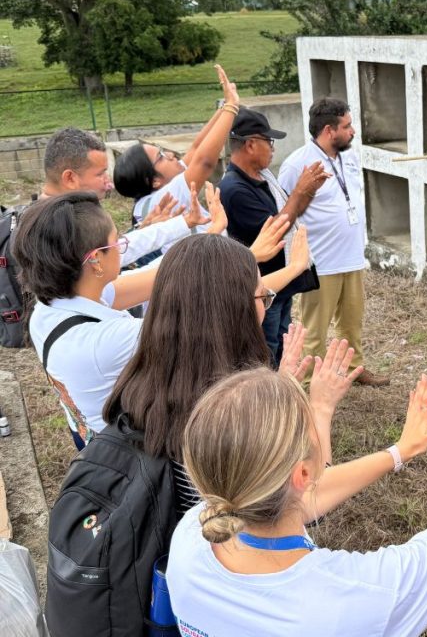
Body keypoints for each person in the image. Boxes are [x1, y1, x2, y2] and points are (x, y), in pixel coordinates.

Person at [166, 371, 427, 635]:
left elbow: (304, 493)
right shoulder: (353, 597)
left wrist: (399, 452)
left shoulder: (192, 534)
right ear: (304, 472)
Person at [12, 191, 297, 449]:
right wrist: (285, 267)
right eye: (118, 243)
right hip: (125, 452)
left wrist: (217, 241)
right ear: (95, 260)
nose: (124, 246)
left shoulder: (53, 303)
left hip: (87, 430)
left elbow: (159, 275)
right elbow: (217, 310)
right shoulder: (111, 340)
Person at [103, 232, 318, 518]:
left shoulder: (137, 386)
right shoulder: (232, 416)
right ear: (234, 311)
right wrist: (310, 405)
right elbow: (296, 499)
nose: (264, 304)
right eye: (261, 296)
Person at [279, 97, 389, 387]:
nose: (352, 131)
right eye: (347, 126)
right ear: (329, 130)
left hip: (351, 258)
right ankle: (308, 382)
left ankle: (352, 369)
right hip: (320, 263)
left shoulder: (348, 157)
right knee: (314, 329)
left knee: (351, 322)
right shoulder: (296, 165)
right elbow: (285, 213)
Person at [220, 107, 331, 366]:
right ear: (250, 145)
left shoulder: (262, 178)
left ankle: (283, 393)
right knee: (266, 349)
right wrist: (298, 192)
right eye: (268, 142)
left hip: (279, 285)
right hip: (262, 288)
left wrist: (307, 192)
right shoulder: (235, 189)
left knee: (282, 343)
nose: (273, 149)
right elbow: (276, 229)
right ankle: (268, 400)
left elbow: (289, 216)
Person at [41, 127, 202, 267]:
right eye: (100, 173)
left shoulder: (58, 214)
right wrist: (195, 256)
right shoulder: (60, 229)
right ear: (70, 178)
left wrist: (144, 229)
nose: (107, 180)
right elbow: (110, 279)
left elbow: (112, 252)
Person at [113, 65, 238, 242]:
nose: (171, 154)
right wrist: (232, 106)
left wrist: (225, 104)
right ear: (155, 180)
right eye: (161, 157)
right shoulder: (167, 198)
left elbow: (196, 148)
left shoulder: (148, 201)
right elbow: (203, 162)